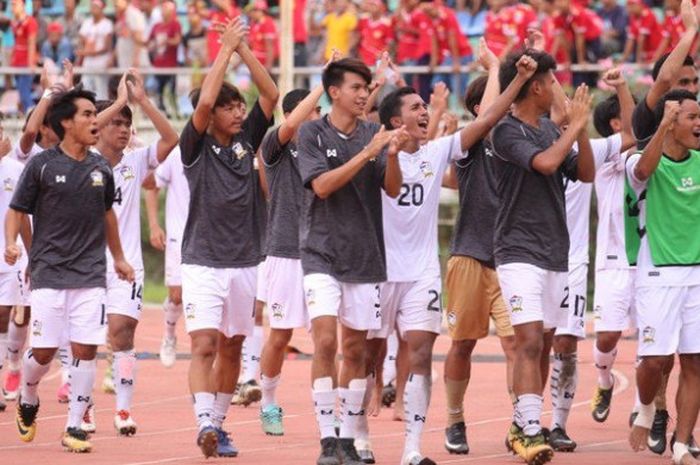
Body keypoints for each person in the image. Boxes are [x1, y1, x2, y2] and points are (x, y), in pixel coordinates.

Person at [358, 43, 537, 465]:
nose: (426, 112)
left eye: (427, 106)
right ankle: (358, 437)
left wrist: (515, 77)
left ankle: (412, 449)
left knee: (420, 352)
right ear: (396, 120)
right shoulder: (370, 152)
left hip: (422, 272)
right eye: (417, 107)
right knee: (367, 355)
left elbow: (490, 117)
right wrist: (376, 81)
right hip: (377, 271)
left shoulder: (438, 152)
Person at [5, 86, 134, 453]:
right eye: (87, 115)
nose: (96, 121)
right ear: (66, 122)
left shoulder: (100, 168)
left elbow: (108, 214)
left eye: (97, 115)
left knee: (85, 349)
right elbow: (17, 209)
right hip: (48, 272)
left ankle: (75, 425)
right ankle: (28, 394)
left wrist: (120, 258)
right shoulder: (42, 165)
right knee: (43, 353)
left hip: (90, 273)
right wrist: (12, 244)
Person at [179, 17, 278, 458]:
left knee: (233, 344)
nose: (240, 113)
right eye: (230, 107)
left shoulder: (246, 139)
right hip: (202, 260)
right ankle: (203, 420)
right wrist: (223, 50)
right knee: (203, 344)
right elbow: (202, 104)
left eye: (241, 106)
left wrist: (242, 51)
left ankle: (217, 426)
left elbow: (272, 95)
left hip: (245, 260)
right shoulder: (195, 144)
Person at [296, 56, 403, 465]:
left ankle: (346, 436)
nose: (363, 95)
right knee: (325, 341)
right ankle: (327, 438)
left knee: (357, 352)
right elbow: (321, 186)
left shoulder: (375, 132)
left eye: (366, 88)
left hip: (365, 254)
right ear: (334, 92)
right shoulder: (311, 133)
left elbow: (392, 189)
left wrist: (389, 154)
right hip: (321, 252)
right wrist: (366, 154)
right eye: (356, 88)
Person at [492, 48, 595, 465]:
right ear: (537, 86)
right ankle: (533, 430)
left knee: (546, 344)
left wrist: (580, 130)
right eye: (553, 81)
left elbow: (583, 172)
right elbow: (547, 165)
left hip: (555, 251)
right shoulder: (506, 132)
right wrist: (573, 126)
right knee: (529, 340)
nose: (557, 88)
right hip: (517, 250)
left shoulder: (554, 132)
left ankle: (521, 424)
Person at [548, 68, 636, 452]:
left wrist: (620, 86)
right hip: (527, 257)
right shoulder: (526, 145)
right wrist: (544, 70)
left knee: (566, 342)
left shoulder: (591, 152)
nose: (567, 109)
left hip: (573, 261)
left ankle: (557, 424)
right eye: (560, 105)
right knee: (530, 344)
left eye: (572, 105)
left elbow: (633, 135)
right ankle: (525, 420)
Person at [93, 69, 179, 436]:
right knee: (78, 345)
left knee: (122, 333)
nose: (124, 129)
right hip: (82, 265)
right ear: (97, 129)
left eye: (127, 124)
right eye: (116, 123)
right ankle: (77, 407)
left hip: (127, 266)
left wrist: (141, 101)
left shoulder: (136, 161)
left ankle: (123, 411)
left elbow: (171, 137)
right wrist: (118, 102)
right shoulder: (81, 160)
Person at [629, 1, 698, 452]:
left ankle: (682, 441)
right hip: (656, 271)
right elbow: (642, 171)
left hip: (696, 271)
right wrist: (690, 31)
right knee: (654, 361)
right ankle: (647, 408)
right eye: (686, 86)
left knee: (693, 362)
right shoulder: (646, 127)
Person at [256, 81, 328, 436]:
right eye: (313, 112)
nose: (318, 119)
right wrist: (322, 82)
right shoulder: (275, 147)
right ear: (293, 115)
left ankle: (324, 413)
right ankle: (268, 403)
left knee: (326, 338)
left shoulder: (324, 149)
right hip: (284, 252)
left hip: (320, 254)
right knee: (281, 335)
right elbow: (289, 125)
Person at [145, 147, 189, 369]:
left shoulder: (220, 149)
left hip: (212, 235)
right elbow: (152, 186)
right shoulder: (177, 154)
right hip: (179, 236)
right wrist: (154, 225)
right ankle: (169, 335)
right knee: (177, 293)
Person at [0, 124, 25, 414]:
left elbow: (23, 212)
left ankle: (10, 369)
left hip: (9, 254)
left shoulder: (15, 169)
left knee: (4, 313)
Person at [149, 1, 182, 116]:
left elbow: (177, 40)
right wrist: (152, 45)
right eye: (162, 7)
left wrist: (166, 41)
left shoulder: (175, 24)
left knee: (171, 92)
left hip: (170, 65)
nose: (163, 10)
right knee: (159, 93)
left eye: (166, 8)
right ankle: (163, 114)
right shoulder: (156, 26)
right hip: (158, 65)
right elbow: (150, 43)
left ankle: (174, 113)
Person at [77, 0, 114, 100]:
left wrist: (88, 52)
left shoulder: (107, 24)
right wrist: (82, 53)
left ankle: (104, 112)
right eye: (92, 6)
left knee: (101, 89)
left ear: (101, 8)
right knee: (85, 87)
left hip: (101, 60)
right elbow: (82, 41)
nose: (93, 9)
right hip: (88, 61)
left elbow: (107, 47)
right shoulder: (87, 22)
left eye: (95, 7)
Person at [10, 0, 38, 113]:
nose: (13, 8)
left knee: (25, 94)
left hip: (25, 64)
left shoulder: (30, 22)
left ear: (23, 5)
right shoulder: (15, 23)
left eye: (15, 4)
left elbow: (32, 42)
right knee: (21, 95)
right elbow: (16, 43)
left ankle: (32, 118)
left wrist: (31, 63)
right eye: (12, 5)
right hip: (17, 63)